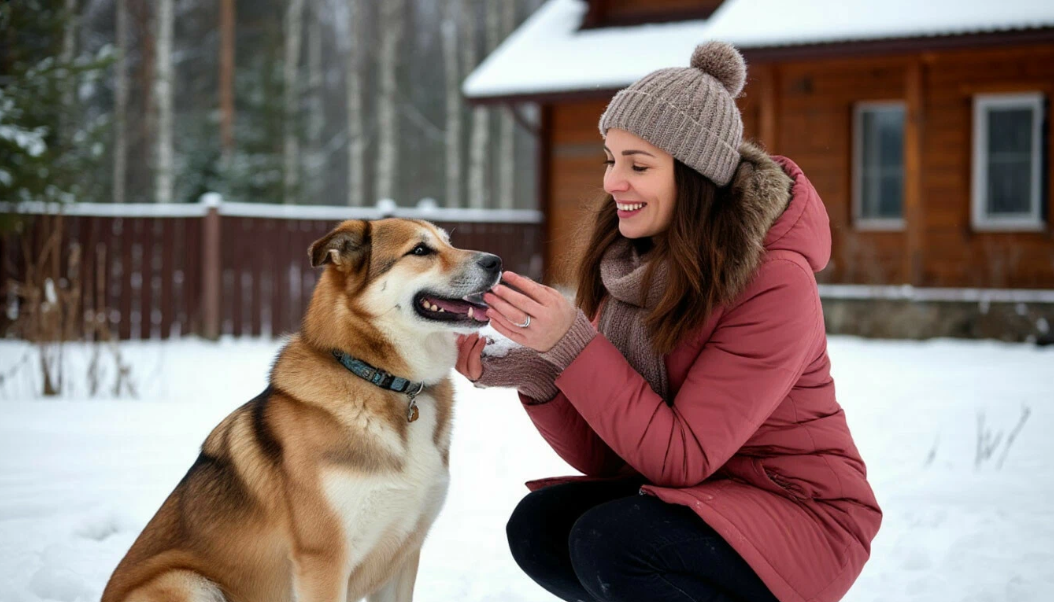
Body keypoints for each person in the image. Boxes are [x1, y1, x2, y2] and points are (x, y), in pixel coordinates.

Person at [455, 41, 881, 602]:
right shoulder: (633, 269)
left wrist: (574, 343)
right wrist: (541, 374)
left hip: (801, 515)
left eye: (638, 165)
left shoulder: (774, 282)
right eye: (611, 159)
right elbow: (616, 456)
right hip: (711, 495)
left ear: (695, 176)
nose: (612, 182)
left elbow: (679, 458)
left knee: (613, 541)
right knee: (541, 528)